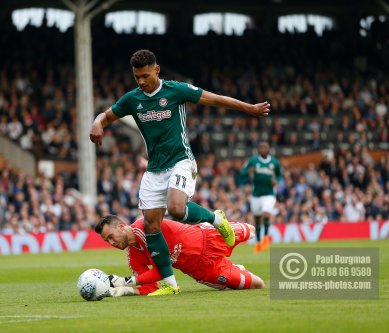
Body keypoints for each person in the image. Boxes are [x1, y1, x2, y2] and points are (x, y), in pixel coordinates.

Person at [89, 49, 270, 295]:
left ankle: (217, 220)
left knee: (176, 208)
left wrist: (249, 108)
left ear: (156, 70)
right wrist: (97, 122)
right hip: (154, 169)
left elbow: (215, 99)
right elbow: (106, 115)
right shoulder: (132, 99)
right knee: (151, 226)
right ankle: (170, 285)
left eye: (144, 76)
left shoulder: (176, 90)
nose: (141, 81)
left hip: (180, 160)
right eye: (136, 77)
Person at [94, 215, 265, 297]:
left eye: (111, 236)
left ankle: (217, 218)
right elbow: (151, 287)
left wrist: (124, 281)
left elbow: (160, 271)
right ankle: (236, 269)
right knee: (258, 284)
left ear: (122, 227)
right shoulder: (133, 256)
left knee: (251, 230)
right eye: (107, 241)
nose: (111, 243)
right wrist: (122, 291)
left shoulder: (145, 226)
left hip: (209, 237)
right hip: (202, 269)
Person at [240, 142, 282, 253]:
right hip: (256, 194)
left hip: (269, 193)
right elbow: (242, 172)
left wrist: (276, 180)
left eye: (265, 147)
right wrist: (248, 172)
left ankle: (266, 238)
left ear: (269, 149)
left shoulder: (274, 162)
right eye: (261, 147)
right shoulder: (253, 161)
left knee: (266, 214)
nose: (263, 149)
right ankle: (258, 242)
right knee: (257, 219)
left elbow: (279, 174)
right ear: (258, 149)